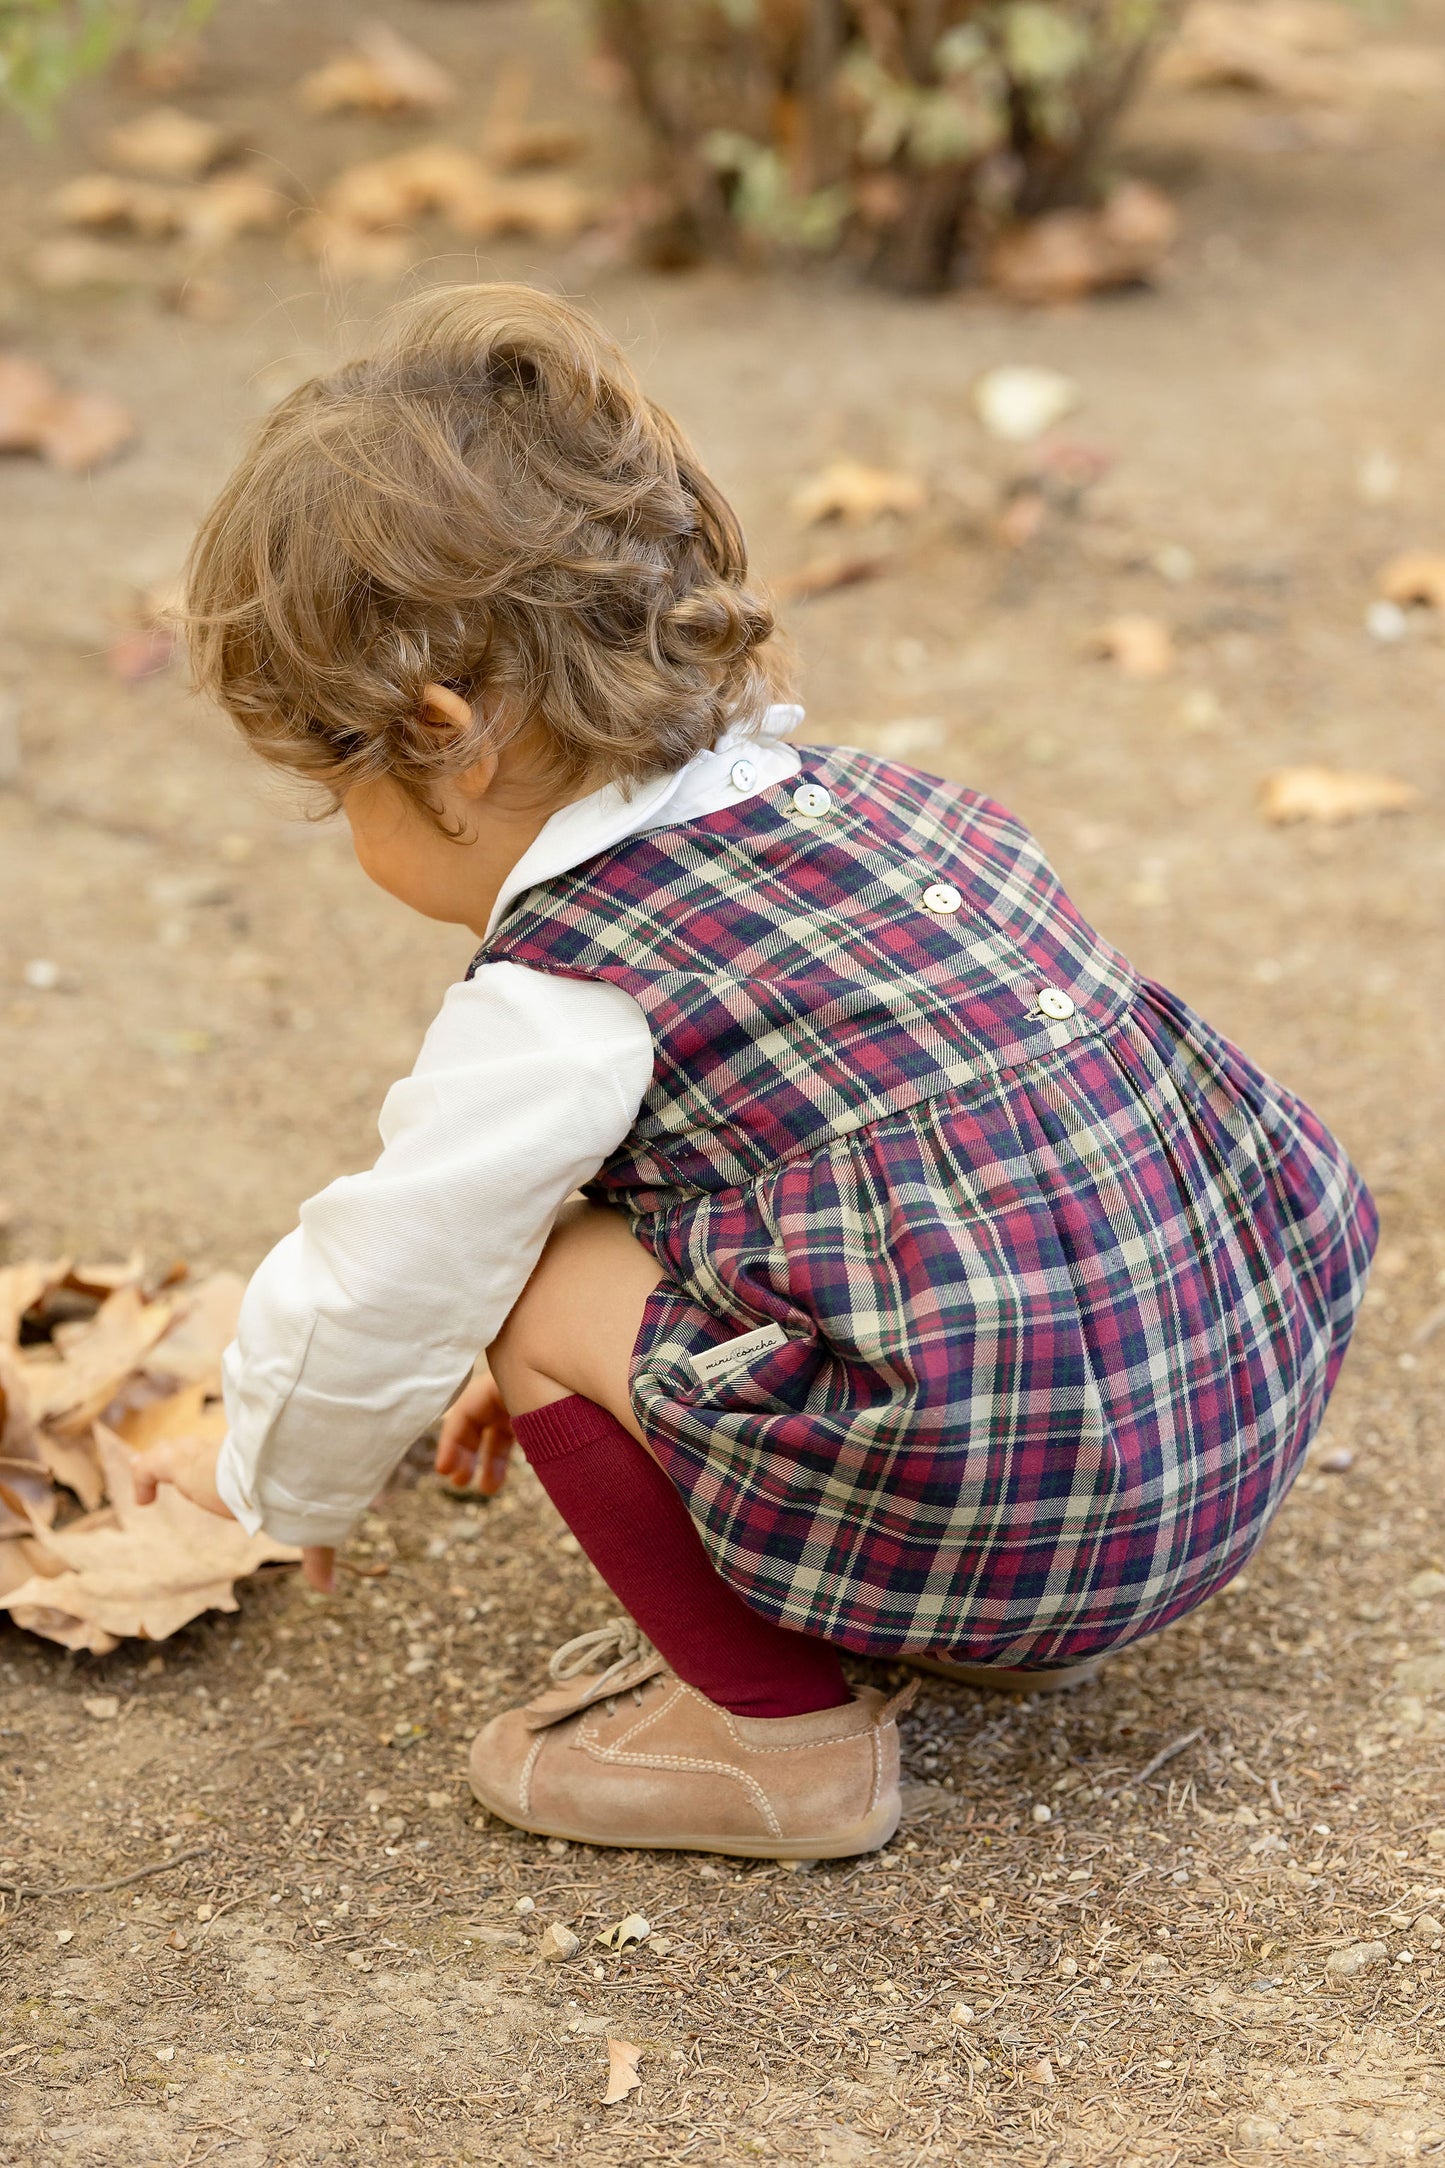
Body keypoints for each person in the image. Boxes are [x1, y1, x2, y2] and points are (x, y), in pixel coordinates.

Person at [132, 283, 1377, 1862]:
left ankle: (769, 1743)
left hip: (1029, 1534)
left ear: (443, 737)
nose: (347, 838)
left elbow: (384, 1277)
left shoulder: (567, 988)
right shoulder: (890, 812)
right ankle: (889, 1563)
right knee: (633, 1215)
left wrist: (285, 1484)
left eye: (336, 792)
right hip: (1213, 1441)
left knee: (513, 1269)